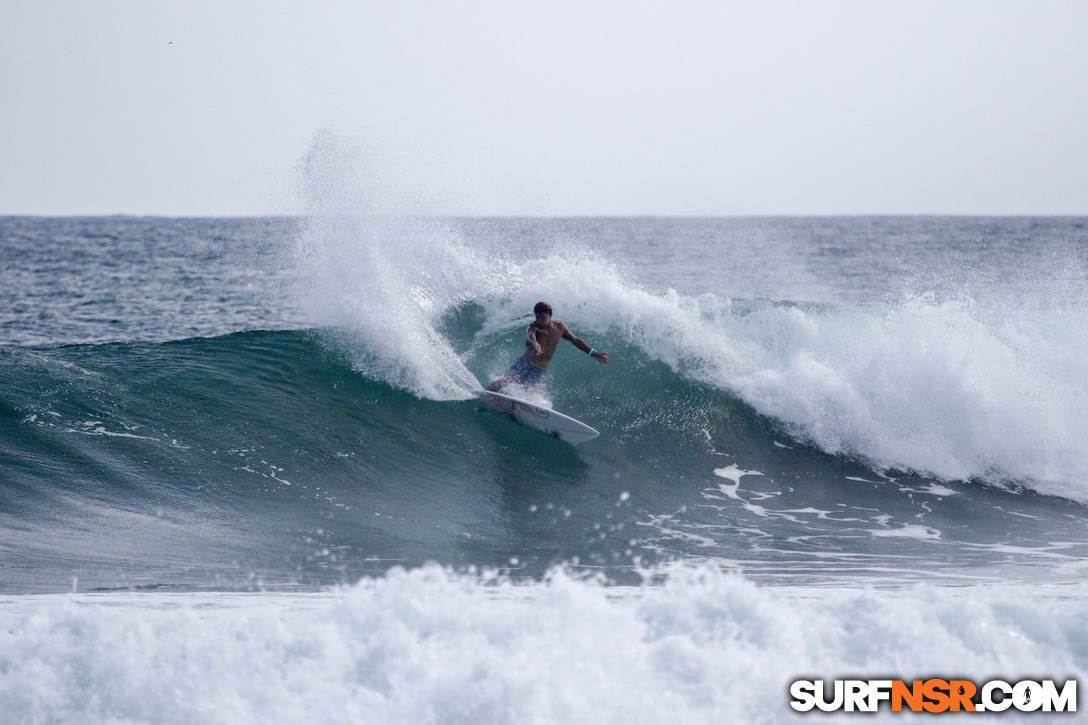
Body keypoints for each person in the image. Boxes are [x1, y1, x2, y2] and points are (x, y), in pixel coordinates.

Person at [485, 301, 609, 392]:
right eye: (537, 317)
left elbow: (575, 340)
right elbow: (530, 335)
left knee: (536, 394)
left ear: (550, 315)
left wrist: (593, 353)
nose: (539, 320)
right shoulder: (533, 327)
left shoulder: (560, 328)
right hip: (525, 364)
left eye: (542, 317)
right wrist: (535, 343)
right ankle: (484, 393)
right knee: (505, 381)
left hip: (540, 370)